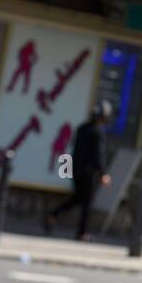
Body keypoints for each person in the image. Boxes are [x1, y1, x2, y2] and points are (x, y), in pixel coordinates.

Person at [45, 100, 112, 241]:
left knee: (78, 198)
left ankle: (53, 214)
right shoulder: (97, 132)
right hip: (89, 172)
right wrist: (103, 173)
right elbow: (98, 155)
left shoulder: (82, 128)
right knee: (86, 202)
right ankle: (81, 232)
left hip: (75, 169)